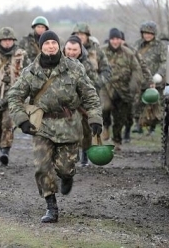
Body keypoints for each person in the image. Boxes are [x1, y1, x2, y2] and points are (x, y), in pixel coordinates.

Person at [8, 30, 102, 223]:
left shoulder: (74, 68)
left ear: (59, 45)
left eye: (53, 42)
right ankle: (51, 207)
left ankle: (68, 177)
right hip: (42, 126)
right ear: (41, 47)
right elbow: (14, 96)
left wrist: (95, 119)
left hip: (69, 125)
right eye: (46, 43)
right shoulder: (30, 71)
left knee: (65, 169)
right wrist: (22, 119)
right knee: (42, 167)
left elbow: (90, 94)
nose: (50, 46)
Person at [0, 27, 30, 166]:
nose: (7, 43)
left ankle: (5, 151)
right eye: (4, 40)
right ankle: (1, 147)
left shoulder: (22, 55)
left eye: (10, 40)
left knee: (8, 123)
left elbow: (29, 73)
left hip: (14, 95)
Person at [100, 28, 143, 150]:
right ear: (109, 39)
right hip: (106, 87)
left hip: (123, 90)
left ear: (121, 40)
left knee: (120, 117)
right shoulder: (101, 52)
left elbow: (136, 70)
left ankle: (117, 140)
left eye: (117, 39)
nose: (115, 41)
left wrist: (133, 86)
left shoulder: (128, 53)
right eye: (113, 39)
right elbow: (94, 65)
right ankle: (106, 126)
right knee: (105, 106)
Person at [63, 35, 101, 167]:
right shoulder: (59, 62)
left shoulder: (87, 65)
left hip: (83, 104)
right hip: (64, 105)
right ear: (64, 48)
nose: (71, 52)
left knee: (86, 131)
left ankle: (85, 155)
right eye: (69, 49)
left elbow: (94, 84)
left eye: (74, 50)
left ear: (80, 50)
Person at [71, 22, 112, 140]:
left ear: (87, 35)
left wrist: (98, 82)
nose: (80, 36)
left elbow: (107, 70)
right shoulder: (69, 49)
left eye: (82, 34)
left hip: (91, 94)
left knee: (88, 124)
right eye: (77, 34)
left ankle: (85, 152)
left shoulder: (97, 51)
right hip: (71, 94)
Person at [133, 21, 167, 135]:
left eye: (150, 33)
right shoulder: (137, 45)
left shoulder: (160, 46)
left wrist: (159, 74)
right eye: (145, 33)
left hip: (155, 80)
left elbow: (165, 62)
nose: (147, 35)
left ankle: (152, 127)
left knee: (155, 105)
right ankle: (138, 124)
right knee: (137, 103)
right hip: (140, 80)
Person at [120, 30, 152, 142]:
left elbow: (143, 66)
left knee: (129, 110)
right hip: (114, 87)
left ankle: (127, 132)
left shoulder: (132, 52)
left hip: (130, 86)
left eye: (120, 39)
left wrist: (150, 80)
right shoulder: (107, 53)